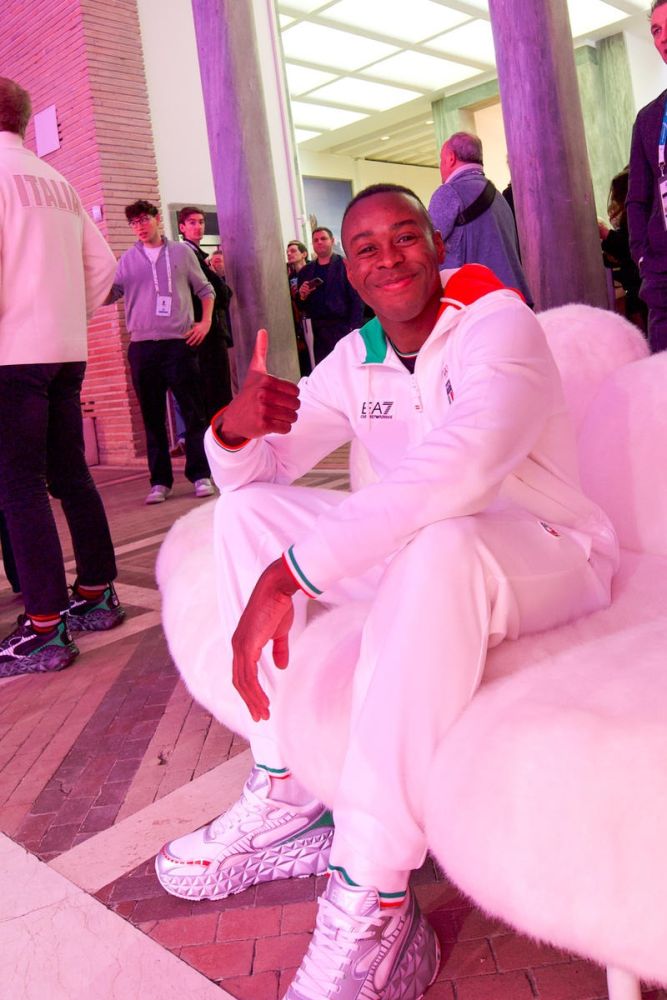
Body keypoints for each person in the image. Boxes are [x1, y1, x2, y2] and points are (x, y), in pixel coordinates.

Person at [154, 183, 619, 998]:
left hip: (548, 553)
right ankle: (286, 788)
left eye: (404, 236)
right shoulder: (355, 358)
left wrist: (294, 573)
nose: (387, 258)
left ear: (436, 245)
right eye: (364, 248)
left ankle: (373, 893)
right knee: (247, 516)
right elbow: (261, 475)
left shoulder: (496, 323)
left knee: (442, 539)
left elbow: (467, 462)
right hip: (421, 558)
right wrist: (232, 430)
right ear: (350, 272)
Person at [0, 77, 125, 679]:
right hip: (65, 352)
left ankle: (45, 629)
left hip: (10, 356)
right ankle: (97, 593)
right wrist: (67, 317)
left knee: (19, 488)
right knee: (70, 474)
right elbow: (104, 267)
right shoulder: (56, 181)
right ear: (24, 120)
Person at [108, 200, 216, 504]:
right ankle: (159, 481)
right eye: (134, 223)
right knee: (152, 417)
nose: (140, 227)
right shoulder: (127, 260)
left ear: (157, 219)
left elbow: (206, 290)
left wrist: (205, 323)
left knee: (193, 412)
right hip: (142, 347)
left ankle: (200, 474)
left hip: (178, 344)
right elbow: (110, 294)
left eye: (144, 219)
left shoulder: (181, 252)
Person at [429, 132, 533, 306]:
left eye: (441, 160)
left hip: (475, 302)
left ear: (451, 158)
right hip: (512, 297)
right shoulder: (498, 197)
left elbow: (428, 246)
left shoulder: (449, 193)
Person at [627, 0, 667, 352]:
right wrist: (644, 258)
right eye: (656, 30)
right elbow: (637, 198)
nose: (663, 37)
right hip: (663, 279)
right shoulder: (649, 118)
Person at [177, 206, 233, 416]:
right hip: (204, 333)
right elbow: (222, 293)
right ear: (182, 227)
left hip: (210, 331)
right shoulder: (188, 255)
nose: (198, 227)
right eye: (192, 222)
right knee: (216, 395)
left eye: (201, 222)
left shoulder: (198, 255)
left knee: (217, 393)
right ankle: (218, 435)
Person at [297, 226, 364, 363]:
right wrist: (302, 296)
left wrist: (353, 329)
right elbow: (301, 305)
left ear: (332, 241)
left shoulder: (345, 266)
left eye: (323, 238)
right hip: (317, 333)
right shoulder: (305, 271)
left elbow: (357, 299)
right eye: (315, 240)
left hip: (342, 327)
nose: (319, 242)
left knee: (347, 366)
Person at [599, 168, 647, 332]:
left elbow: (627, 246)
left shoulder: (637, 222)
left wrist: (606, 234)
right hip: (636, 297)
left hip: (641, 297)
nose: (613, 205)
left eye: (616, 198)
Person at [286, 240, 312, 376]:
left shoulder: (312, 270)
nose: (289, 254)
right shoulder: (289, 276)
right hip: (298, 320)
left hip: (314, 317)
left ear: (304, 254)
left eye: (293, 251)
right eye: (287, 252)